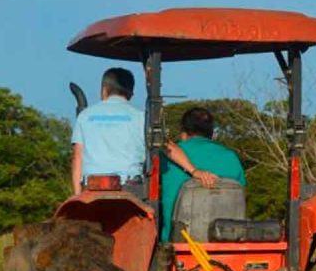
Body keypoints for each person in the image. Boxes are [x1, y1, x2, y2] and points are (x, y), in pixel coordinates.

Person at [71, 68, 215, 194]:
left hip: (91, 187)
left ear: (104, 90)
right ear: (131, 94)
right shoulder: (142, 117)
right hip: (129, 188)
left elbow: (77, 157)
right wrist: (193, 170)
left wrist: (77, 196)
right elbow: (169, 148)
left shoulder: (85, 116)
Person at [160, 107, 246, 242]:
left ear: (184, 133)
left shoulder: (167, 157)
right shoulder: (231, 157)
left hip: (177, 243)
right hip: (225, 242)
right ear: (212, 134)